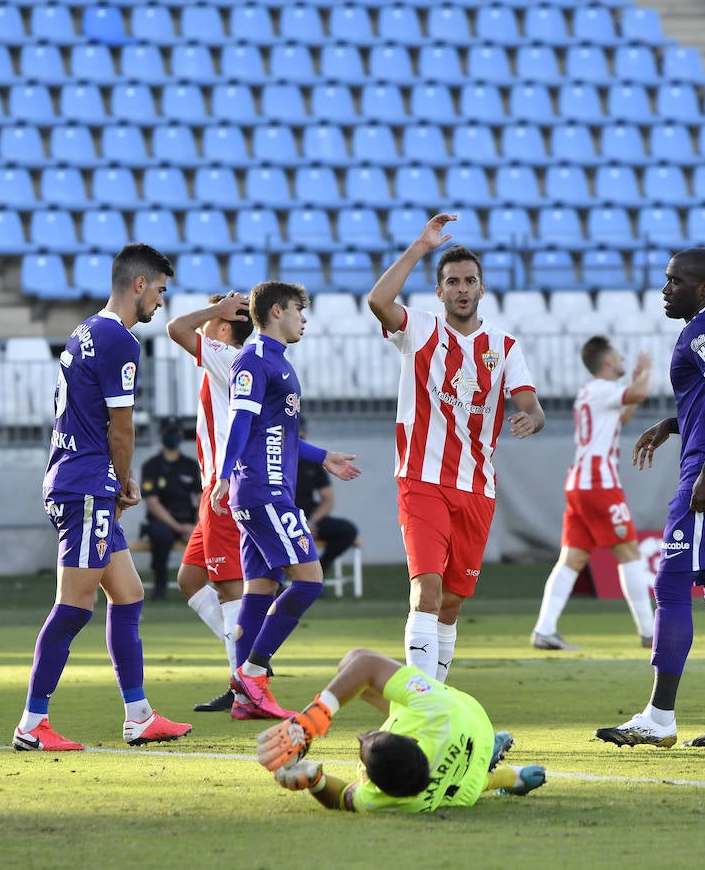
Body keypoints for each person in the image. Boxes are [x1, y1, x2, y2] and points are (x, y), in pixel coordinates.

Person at [14, 243, 193, 752]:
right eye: (159, 290)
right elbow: (121, 429)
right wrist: (121, 482)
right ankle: (32, 723)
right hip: (87, 483)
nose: (160, 302)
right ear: (139, 285)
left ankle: (138, 715)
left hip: (72, 476)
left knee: (129, 595)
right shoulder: (120, 341)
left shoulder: (85, 330)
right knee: (74, 606)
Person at [595, 248, 705, 749]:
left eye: (676, 281)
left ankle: (659, 716)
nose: (665, 288)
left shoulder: (701, 330)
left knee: (671, 588)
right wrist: (676, 424)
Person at [367, 214, 545, 683]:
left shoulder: (504, 346)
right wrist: (420, 247)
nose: (462, 288)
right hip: (421, 480)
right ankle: (422, 701)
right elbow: (378, 300)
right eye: (452, 282)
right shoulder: (421, 330)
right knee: (426, 589)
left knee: (452, 601)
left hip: (477, 488)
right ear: (439, 291)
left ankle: (435, 697)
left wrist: (533, 416)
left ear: (482, 288)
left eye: (469, 281)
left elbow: (531, 403)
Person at [211, 281, 362, 720]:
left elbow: (282, 435)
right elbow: (241, 420)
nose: (304, 318)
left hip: (263, 491)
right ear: (277, 311)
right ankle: (253, 673)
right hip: (263, 491)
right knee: (310, 581)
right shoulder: (254, 360)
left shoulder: (277, 362)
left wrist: (324, 456)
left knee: (260, 590)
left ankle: (245, 699)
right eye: (299, 309)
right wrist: (224, 474)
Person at [253, 648, 546, 812]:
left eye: (364, 746)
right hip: (471, 722)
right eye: (370, 738)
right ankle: (494, 761)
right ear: (409, 737)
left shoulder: (398, 801)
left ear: (373, 782)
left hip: (462, 788)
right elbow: (363, 660)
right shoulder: (436, 709)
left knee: (478, 783)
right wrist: (312, 720)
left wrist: (314, 781)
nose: (362, 736)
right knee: (351, 668)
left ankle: (512, 777)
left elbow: (342, 798)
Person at [164, 291, 256, 713]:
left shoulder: (224, 354)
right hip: (213, 488)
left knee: (227, 586)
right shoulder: (232, 360)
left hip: (222, 487)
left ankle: (245, 683)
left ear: (222, 327)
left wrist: (216, 310)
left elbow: (176, 327)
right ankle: (251, 660)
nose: (204, 324)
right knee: (190, 580)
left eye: (213, 318)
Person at [531, 337, 654, 652]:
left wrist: (635, 385)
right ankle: (650, 633)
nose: (622, 355)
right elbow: (640, 391)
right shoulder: (603, 389)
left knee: (573, 558)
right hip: (599, 483)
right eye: (617, 352)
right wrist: (646, 372)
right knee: (629, 552)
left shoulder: (590, 392)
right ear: (608, 362)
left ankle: (544, 629)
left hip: (579, 483)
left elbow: (622, 415)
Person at [138, 419, 201, 601]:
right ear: (161, 436)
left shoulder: (190, 465)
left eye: (176, 432)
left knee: (209, 535)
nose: (173, 436)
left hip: (189, 521)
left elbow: (202, 498)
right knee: (161, 535)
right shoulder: (152, 466)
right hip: (163, 521)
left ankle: (203, 586)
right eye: (169, 432)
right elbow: (152, 502)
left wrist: (196, 526)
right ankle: (160, 585)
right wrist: (179, 528)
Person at [295, 417, 360, 576]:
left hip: (308, 516)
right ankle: (279, 583)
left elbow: (328, 500)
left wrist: (311, 521)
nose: (300, 436)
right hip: (283, 516)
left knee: (347, 531)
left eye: (302, 432)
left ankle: (320, 572)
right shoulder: (274, 460)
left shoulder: (313, 461)